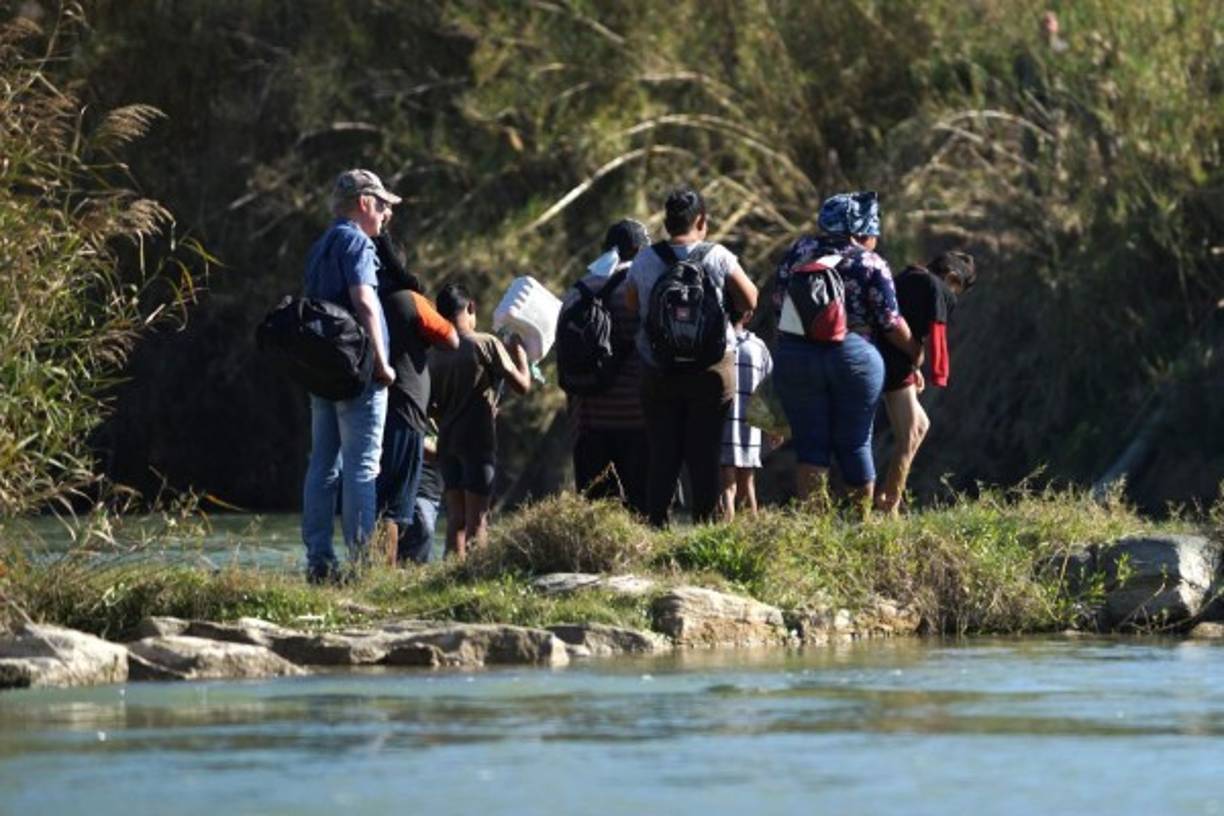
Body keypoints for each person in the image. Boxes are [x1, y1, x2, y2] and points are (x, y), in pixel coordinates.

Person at [772, 191, 922, 509]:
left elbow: (776, 304)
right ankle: (862, 525)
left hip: (798, 354)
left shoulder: (798, 251)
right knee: (855, 443)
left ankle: (813, 529)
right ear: (860, 230)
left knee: (811, 446)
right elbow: (890, 322)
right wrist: (915, 352)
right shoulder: (870, 262)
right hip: (854, 356)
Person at [625, 188, 758, 527]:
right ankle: (705, 527)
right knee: (706, 452)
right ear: (701, 221)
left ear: (667, 222)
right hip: (711, 371)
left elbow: (632, 305)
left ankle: (657, 524)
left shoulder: (645, 259)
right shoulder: (718, 256)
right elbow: (750, 298)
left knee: (663, 452)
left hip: (659, 369)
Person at [300, 169, 399, 583]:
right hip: (358, 370)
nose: (383, 214)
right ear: (363, 203)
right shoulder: (357, 242)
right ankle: (362, 566)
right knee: (362, 466)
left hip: (322, 369)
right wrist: (382, 360)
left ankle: (319, 561)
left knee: (322, 464)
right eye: (380, 206)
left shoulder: (320, 246)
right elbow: (365, 301)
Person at [429, 281, 532, 558]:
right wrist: (521, 356)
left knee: (455, 520)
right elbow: (522, 385)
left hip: (447, 442)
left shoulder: (433, 353)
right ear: (471, 307)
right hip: (477, 442)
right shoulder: (484, 343)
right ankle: (477, 578)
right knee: (478, 521)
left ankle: (450, 579)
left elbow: (430, 407)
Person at [372, 234, 458, 561]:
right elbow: (449, 337)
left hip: (365, 406)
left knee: (373, 491)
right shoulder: (408, 299)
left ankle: (366, 568)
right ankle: (385, 575)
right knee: (394, 501)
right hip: (404, 407)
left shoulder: (359, 296)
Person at [875, 251, 977, 515]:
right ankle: (890, 506)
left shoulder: (907, 276)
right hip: (895, 363)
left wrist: (915, 366)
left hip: (888, 357)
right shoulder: (936, 287)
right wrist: (938, 371)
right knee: (910, 432)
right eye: (956, 290)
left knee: (920, 425)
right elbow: (937, 334)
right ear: (952, 277)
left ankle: (889, 497)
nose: (953, 297)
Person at [564, 219, 651, 516]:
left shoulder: (577, 291)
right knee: (642, 511)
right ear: (639, 251)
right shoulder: (641, 290)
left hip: (588, 423)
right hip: (636, 420)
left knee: (595, 516)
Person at [720, 309, 773, 521]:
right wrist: (773, 427)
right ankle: (751, 536)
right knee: (748, 484)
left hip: (722, 426)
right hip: (749, 430)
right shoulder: (759, 347)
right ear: (749, 315)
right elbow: (769, 390)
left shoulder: (716, 342)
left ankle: (723, 536)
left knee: (726, 486)